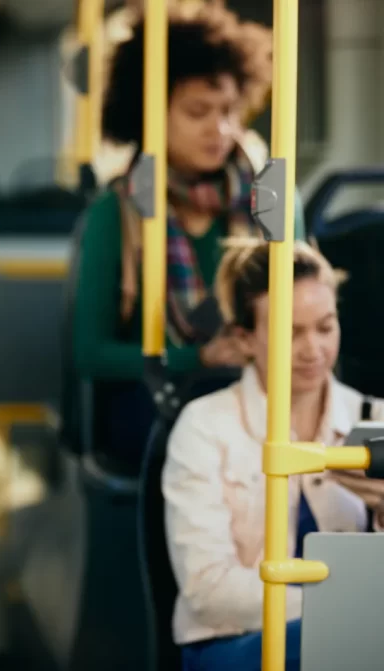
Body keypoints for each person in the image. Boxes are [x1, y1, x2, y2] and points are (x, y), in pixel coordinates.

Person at [71, 3, 306, 469]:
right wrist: (196, 358)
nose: (219, 130)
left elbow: (304, 305)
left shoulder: (274, 199)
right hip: (157, 416)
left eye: (228, 111)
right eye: (198, 111)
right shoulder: (115, 214)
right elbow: (90, 353)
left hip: (262, 403)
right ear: (149, 115)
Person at [163, 239, 384, 671]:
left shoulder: (374, 418)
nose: (313, 350)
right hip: (233, 643)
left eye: (325, 327)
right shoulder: (204, 427)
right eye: (290, 333)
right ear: (245, 339)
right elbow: (207, 591)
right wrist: (343, 610)